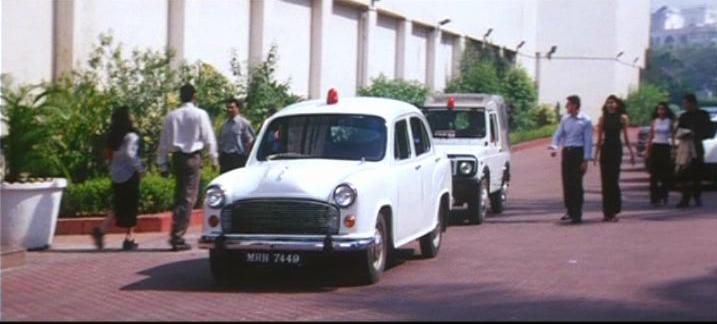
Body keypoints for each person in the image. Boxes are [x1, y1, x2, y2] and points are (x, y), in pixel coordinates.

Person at [157, 84, 218, 251]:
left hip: (177, 158)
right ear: (194, 96)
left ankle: (176, 232)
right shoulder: (200, 114)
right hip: (192, 157)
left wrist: (162, 163)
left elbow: (163, 142)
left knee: (180, 195)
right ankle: (177, 236)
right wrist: (213, 158)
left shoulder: (172, 116)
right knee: (188, 197)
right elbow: (208, 137)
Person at [92, 106, 146, 250]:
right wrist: (140, 168)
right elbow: (130, 154)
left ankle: (102, 229)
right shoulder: (131, 136)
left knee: (119, 205)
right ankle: (129, 238)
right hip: (129, 174)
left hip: (116, 174)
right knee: (130, 206)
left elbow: (109, 155)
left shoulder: (113, 136)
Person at [548, 95, 593, 224]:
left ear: (575, 105)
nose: (566, 107)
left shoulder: (585, 120)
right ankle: (570, 210)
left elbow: (588, 141)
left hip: (578, 153)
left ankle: (577, 213)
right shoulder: (565, 119)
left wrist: (585, 160)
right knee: (567, 183)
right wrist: (554, 146)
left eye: (568, 105)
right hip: (567, 152)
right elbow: (559, 134)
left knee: (576, 184)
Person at [593, 95, 635, 222]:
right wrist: (595, 155)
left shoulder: (622, 118)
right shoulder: (603, 119)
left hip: (616, 149)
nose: (610, 105)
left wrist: (632, 153)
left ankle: (615, 209)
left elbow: (626, 137)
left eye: (612, 102)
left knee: (613, 180)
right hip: (606, 150)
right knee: (605, 182)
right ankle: (607, 213)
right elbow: (599, 138)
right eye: (608, 103)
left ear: (617, 104)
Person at [675, 93, 713, 208]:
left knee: (697, 174)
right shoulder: (684, 116)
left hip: (697, 145)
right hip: (686, 147)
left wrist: (697, 134)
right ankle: (685, 198)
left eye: (686, 103)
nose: (685, 106)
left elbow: (709, 131)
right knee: (685, 173)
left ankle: (697, 197)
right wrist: (684, 134)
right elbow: (678, 131)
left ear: (692, 103)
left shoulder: (703, 115)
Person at [645, 102, 675, 207]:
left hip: (665, 147)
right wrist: (647, 150)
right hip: (655, 147)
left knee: (664, 175)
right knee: (654, 175)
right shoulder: (655, 121)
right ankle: (654, 197)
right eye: (659, 109)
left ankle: (664, 195)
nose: (661, 111)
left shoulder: (669, 121)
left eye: (663, 109)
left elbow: (673, 136)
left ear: (666, 110)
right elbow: (651, 136)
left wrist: (673, 150)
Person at [218, 98, 255, 174]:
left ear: (238, 108)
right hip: (225, 159)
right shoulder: (224, 125)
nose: (229, 110)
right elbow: (221, 143)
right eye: (228, 108)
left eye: (232, 107)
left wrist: (246, 156)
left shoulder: (244, 123)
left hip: (238, 159)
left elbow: (251, 141)